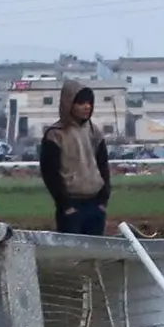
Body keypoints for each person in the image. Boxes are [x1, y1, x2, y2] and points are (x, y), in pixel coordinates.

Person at [38, 85, 113, 236]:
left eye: (89, 103)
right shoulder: (55, 134)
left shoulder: (95, 132)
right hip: (71, 205)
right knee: (72, 255)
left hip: (95, 203)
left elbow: (103, 167)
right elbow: (50, 174)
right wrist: (66, 206)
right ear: (68, 104)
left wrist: (102, 202)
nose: (87, 107)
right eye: (81, 103)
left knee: (94, 254)